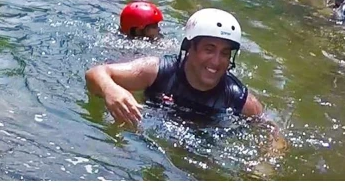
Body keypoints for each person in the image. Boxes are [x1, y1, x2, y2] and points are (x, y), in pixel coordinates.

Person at [85, 8, 264, 124]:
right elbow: (96, 73)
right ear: (189, 48)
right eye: (209, 49)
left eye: (225, 53)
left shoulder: (238, 98)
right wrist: (111, 90)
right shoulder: (157, 71)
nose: (217, 61)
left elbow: (271, 131)